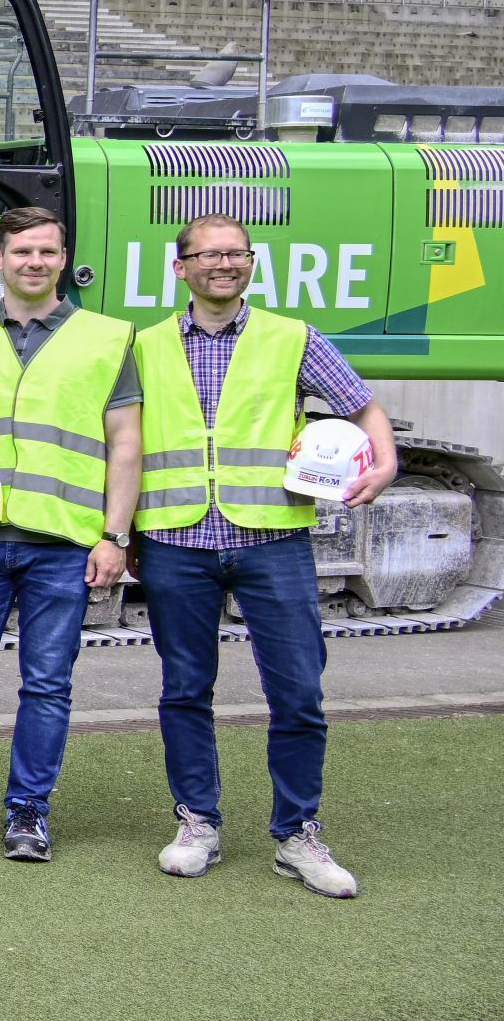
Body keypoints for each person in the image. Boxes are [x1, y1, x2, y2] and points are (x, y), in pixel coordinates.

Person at [136, 214, 395, 899]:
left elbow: (362, 405)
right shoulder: (142, 346)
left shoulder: (292, 338)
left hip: (272, 539)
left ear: (250, 263)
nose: (224, 263)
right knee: (184, 691)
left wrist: (386, 459)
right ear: (179, 266)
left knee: (298, 693)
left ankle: (296, 834)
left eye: (236, 253)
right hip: (174, 538)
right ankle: (197, 823)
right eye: (208, 253)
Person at [0, 207, 140, 864]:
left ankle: (28, 811)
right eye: (21, 251)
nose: (33, 261)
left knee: (45, 683)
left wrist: (113, 534)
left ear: (63, 259)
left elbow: (125, 442)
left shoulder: (106, 336)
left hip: (61, 539)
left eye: (46, 251)